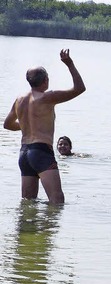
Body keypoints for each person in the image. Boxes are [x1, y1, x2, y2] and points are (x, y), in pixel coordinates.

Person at [3, 49, 86, 204]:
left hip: (24, 154)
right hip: (41, 151)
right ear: (46, 81)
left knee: (28, 203)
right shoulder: (47, 97)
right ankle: (52, 228)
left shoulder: (19, 100)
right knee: (57, 200)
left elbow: (7, 125)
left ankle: (27, 228)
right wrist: (70, 64)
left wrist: (27, 125)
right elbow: (79, 88)